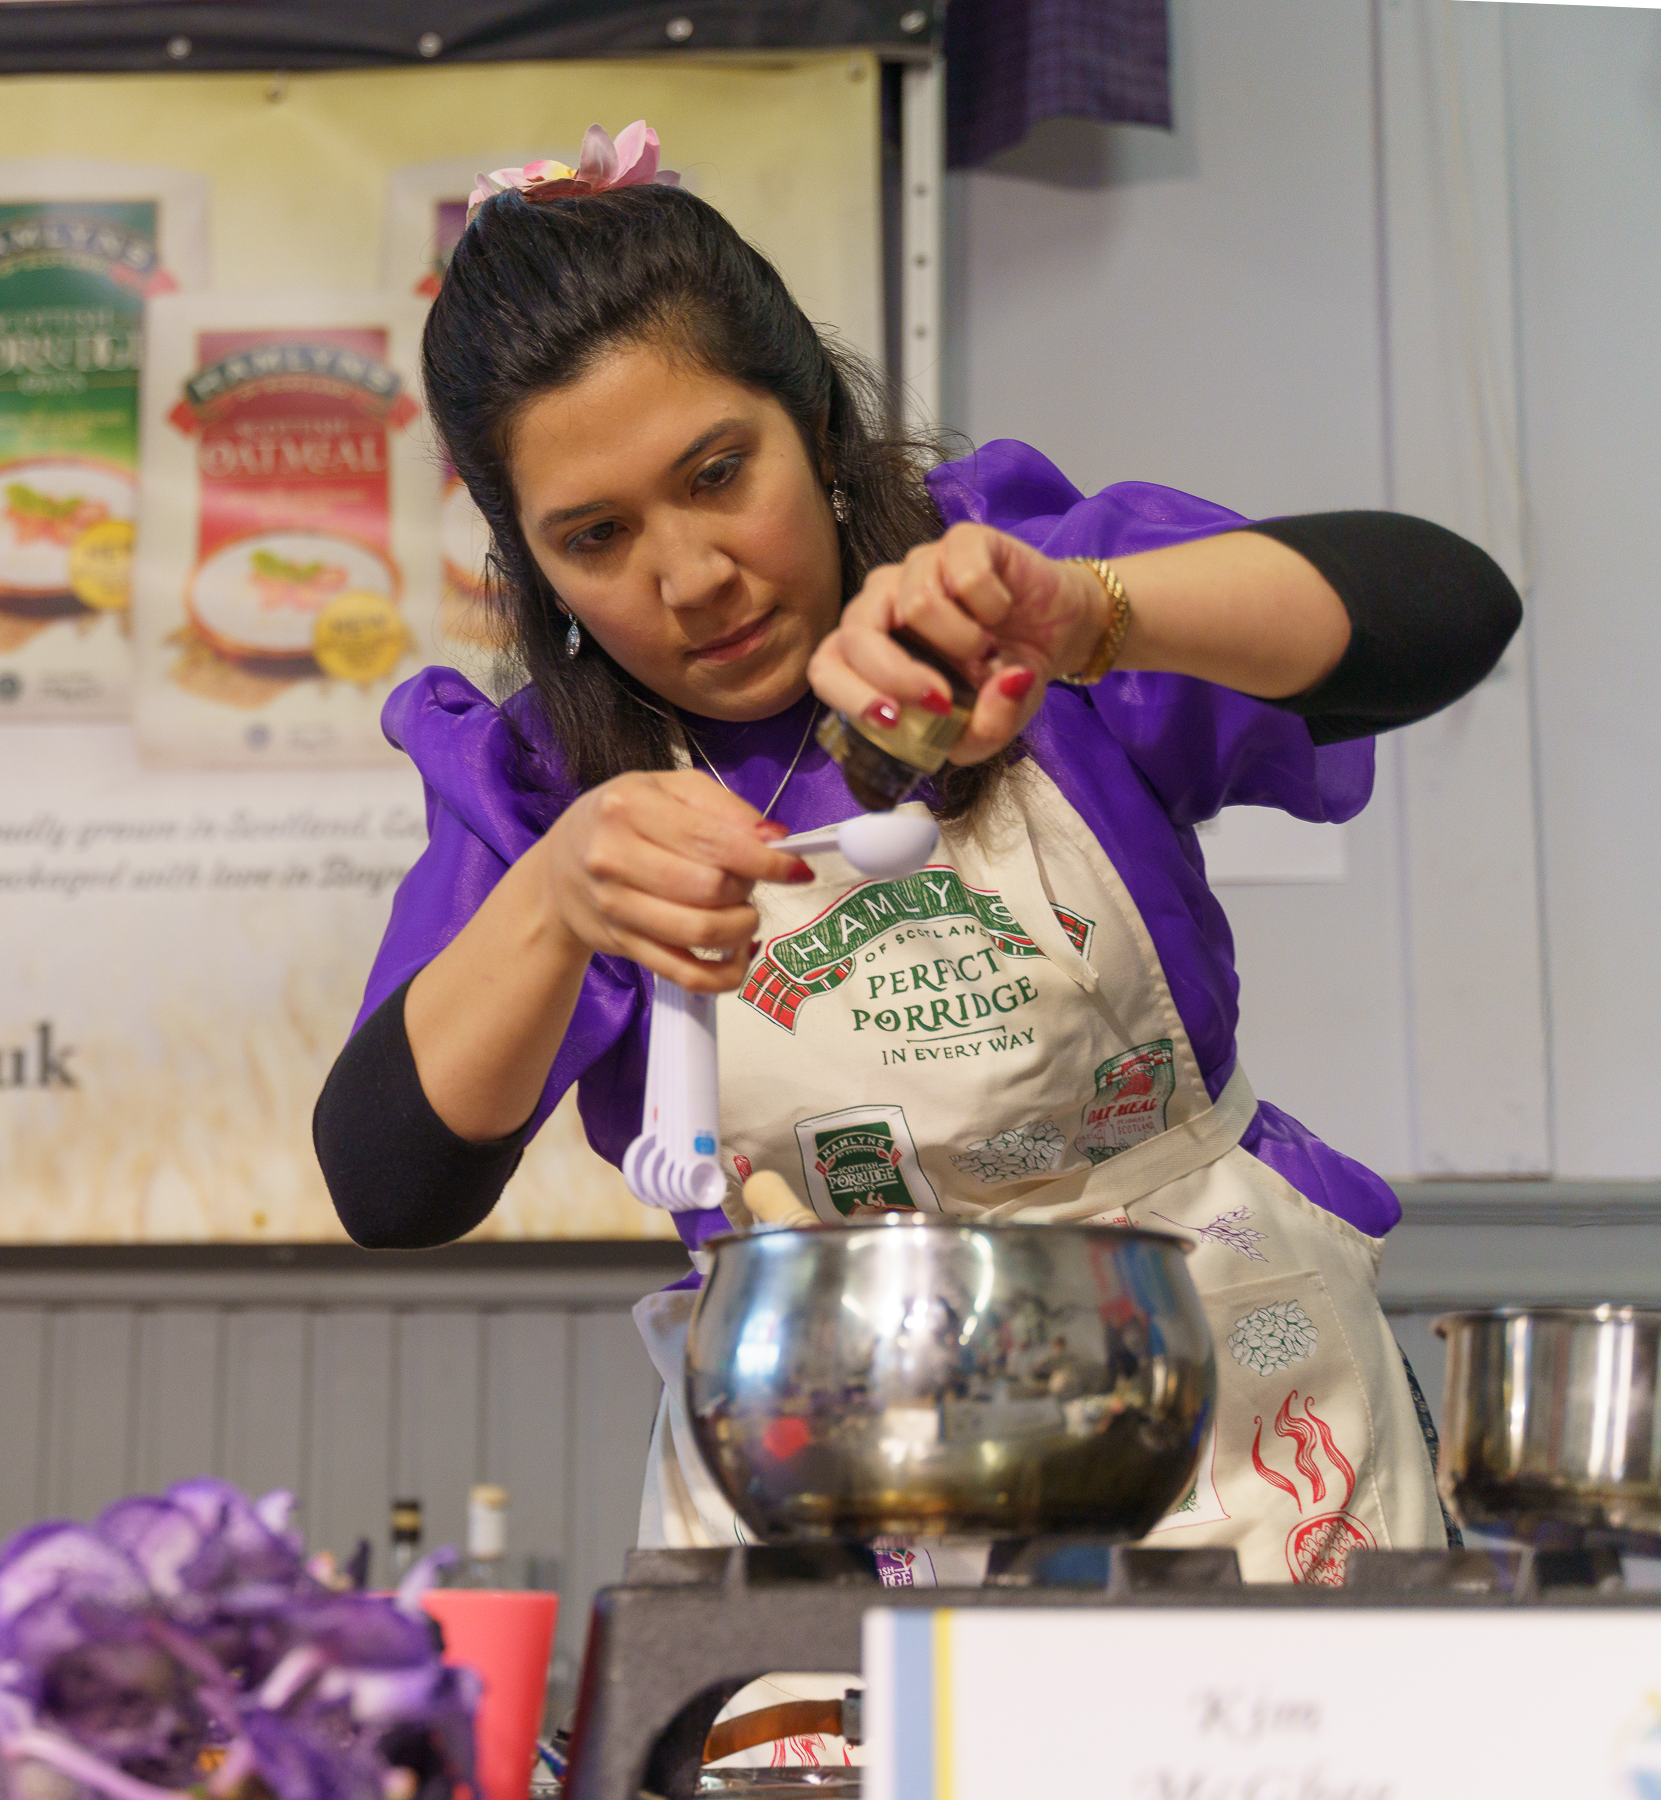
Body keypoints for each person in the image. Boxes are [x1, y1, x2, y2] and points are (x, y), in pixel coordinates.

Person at [312, 125, 1520, 1590]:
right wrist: (560, 899)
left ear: (814, 423)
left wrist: (1085, 614)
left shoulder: (1026, 595)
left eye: (717, 472)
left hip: (1236, 1426)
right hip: (834, 1467)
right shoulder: (549, 795)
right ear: (531, 568)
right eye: (595, 535)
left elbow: (1451, 610)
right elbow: (390, 1184)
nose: (692, 575)